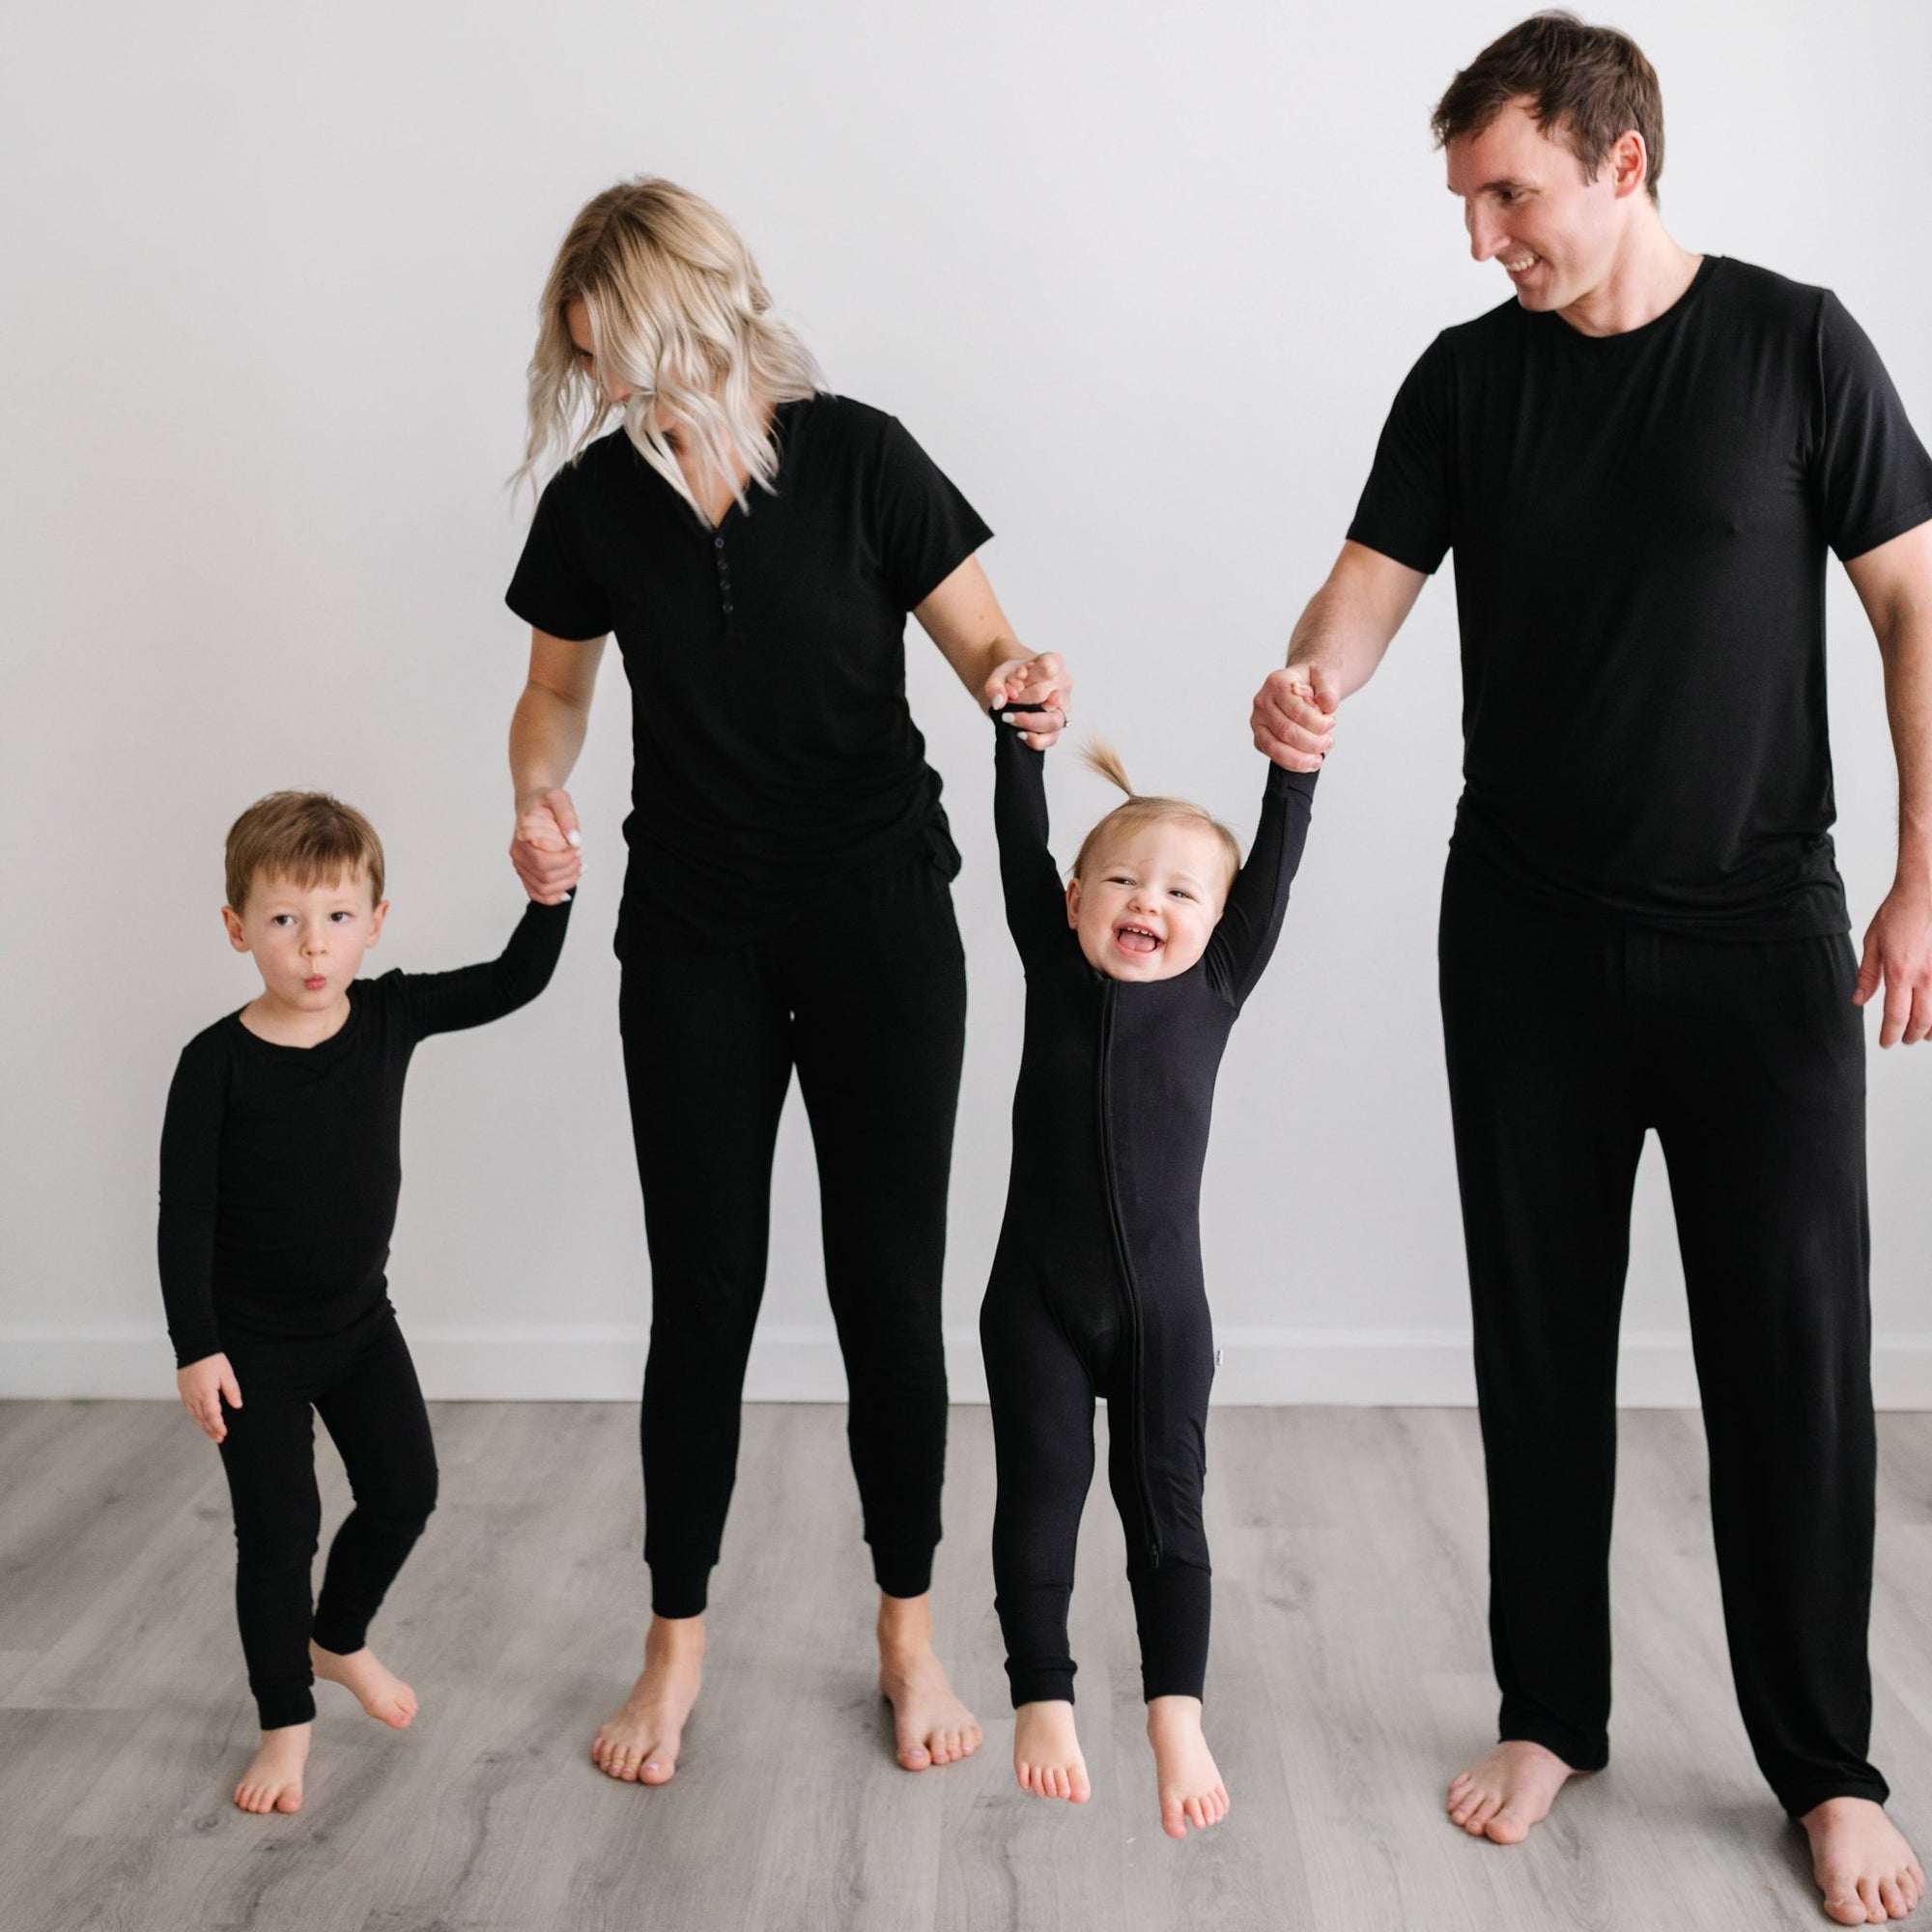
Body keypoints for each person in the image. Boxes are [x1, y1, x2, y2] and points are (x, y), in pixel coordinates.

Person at [1251, 15, 1931, 1924]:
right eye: (1466, 198)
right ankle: (1549, 1709)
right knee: (1536, 1342)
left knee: (1788, 1364)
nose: (1482, 235)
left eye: (1510, 193)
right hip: (1527, 939)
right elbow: (1364, 587)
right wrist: (1317, 675)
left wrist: (1921, 875)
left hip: (1760, 939)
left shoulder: (1796, 346)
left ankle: (1823, 1767)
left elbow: (1914, 606)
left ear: (1620, 163)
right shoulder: (1467, 384)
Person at [503, 178, 1070, 1784]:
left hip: (881, 920)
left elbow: (985, 650)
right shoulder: (595, 504)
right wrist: (536, 789)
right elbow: (552, 696)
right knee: (705, 1302)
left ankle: (908, 1632)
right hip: (691, 935)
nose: (582, 353)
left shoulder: (863, 457)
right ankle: (671, 1649)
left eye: (600, 323)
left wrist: (1020, 685)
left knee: (888, 1298)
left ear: (678, 308)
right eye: (574, 328)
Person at [158, 790, 573, 1815]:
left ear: (374, 922)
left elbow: (513, 979)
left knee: (405, 1492)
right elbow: (183, 1218)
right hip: (251, 1347)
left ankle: (335, 1637)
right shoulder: (213, 1063)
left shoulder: (388, 1013)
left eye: (337, 917)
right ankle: (285, 1722)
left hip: (358, 1328)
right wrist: (197, 1345)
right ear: (237, 928)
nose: (312, 945)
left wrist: (550, 897)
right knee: (279, 1530)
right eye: (284, 919)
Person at [980, 695, 1318, 1837]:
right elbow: (1014, 844)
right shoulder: (1049, 957)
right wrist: (1015, 743)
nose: (1146, 904)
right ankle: (1042, 1694)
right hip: (1031, 1298)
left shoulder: (1216, 986)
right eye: (1123, 881)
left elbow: (1272, 873)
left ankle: (1175, 1709)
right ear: (1075, 901)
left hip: (1165, 1312)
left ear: (1218, 924)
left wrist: (1291, 777)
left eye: (1180, 892)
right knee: (1040, 1489)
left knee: (1163, 1505)